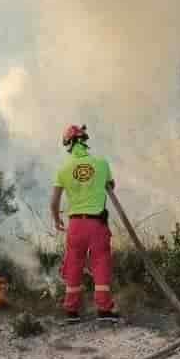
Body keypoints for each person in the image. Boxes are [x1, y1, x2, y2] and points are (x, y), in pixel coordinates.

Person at [50, 124, 119, 320]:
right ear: (84, 141)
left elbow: (54, 202)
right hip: (97, 224)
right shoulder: (102, 164)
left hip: (76, 225)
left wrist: (57, 219)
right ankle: (104, 310)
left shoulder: (63, 169)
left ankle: (71, 312)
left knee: (73, 264)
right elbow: (111, 186)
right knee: (101, 263)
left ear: (69, 144)